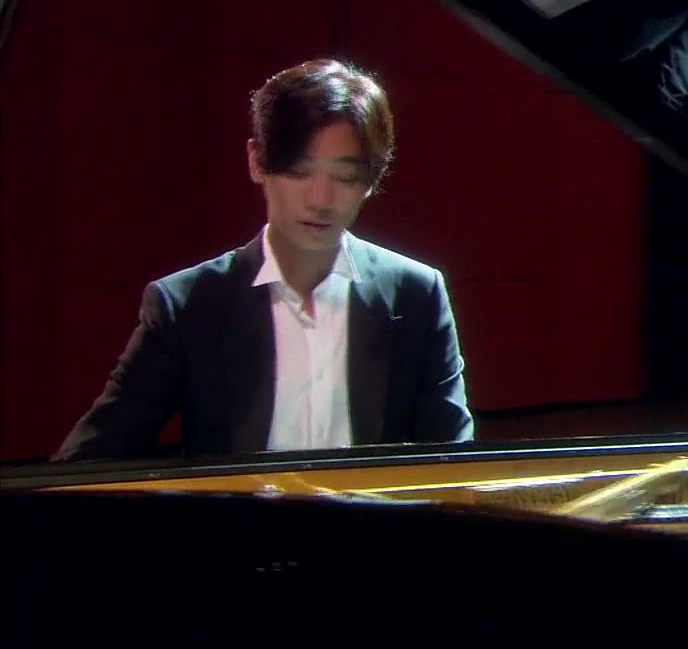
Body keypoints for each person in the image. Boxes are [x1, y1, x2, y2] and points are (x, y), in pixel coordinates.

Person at [54, 59, 473, 461]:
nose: (320, 200)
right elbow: (88, 463)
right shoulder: (189, 304)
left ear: (372, 180)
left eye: (345, 178)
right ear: (257, 162)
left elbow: (455, 465)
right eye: (299, 173)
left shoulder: (416, 295)